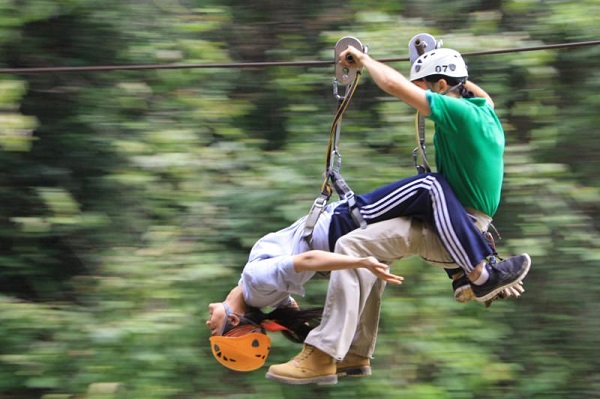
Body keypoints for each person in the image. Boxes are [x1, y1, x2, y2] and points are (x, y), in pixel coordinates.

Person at [265, 45, 532, 385]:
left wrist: (364, 61)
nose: (417, 100)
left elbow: (393, 86)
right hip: (450, 220)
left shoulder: (458, 113)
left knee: (374, 229)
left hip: (452, 224)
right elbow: (474, 90)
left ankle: (322, 355)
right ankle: (356, 354)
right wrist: (436, 57)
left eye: (421, 86)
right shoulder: (484, 111)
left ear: (440, 86)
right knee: (357, 248)